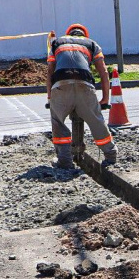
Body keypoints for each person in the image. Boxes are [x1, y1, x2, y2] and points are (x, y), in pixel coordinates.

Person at [46, 23, 118, 169]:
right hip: (85, 86)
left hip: (61, 85)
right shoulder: (92, 44)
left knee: (58, 122)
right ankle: (111, 155)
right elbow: (104, 72)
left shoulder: (57, 43)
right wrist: (105, 98)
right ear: (84, 35)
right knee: (96, 121)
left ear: (68, 34)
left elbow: (49, 72)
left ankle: (65, 161)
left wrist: (50, 98)